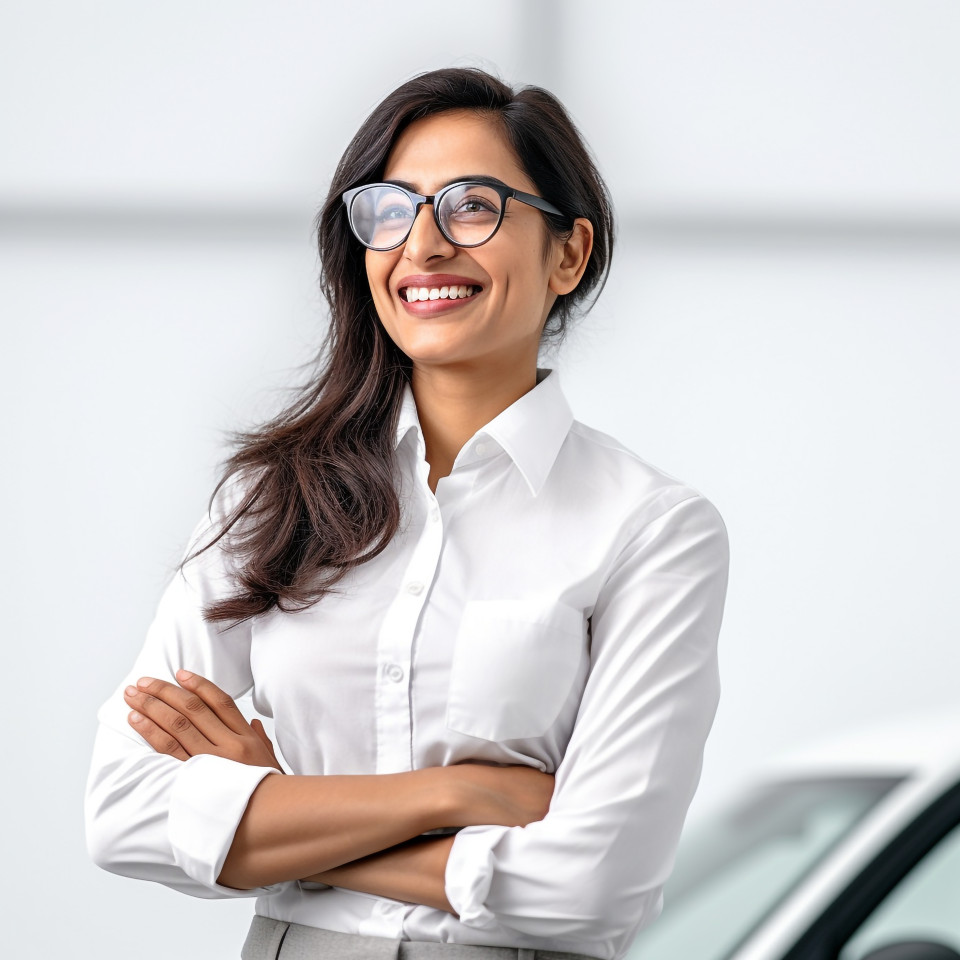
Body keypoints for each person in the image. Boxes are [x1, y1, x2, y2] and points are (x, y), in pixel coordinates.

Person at [85, 67, 729, 960]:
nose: (422, 245)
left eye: (473, 205)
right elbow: (120, 813)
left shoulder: (651, 528)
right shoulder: (274, 499)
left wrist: (274, 806)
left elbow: (592, 888)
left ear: (569, 253)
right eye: (390, 208)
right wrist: (454, 796)